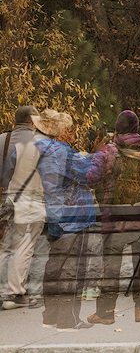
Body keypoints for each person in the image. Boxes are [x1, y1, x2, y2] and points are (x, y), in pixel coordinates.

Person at [86, 110, 140, 326]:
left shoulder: (107, 151)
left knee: (111, 266)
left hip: (115, 217)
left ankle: (106, 312)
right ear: (137, 128)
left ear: (117, 128)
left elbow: (90, 178)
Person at [35, 111, 95, 330]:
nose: (73, 133)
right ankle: (68, 319)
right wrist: (95, 154)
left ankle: (50, 316)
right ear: (62, 131)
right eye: (70, 130)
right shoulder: (66, 153)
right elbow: (89, 173)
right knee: (72, 269)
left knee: (54, 267)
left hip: (54, 214)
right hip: (73, 216)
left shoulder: (43, 150)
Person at [1, 106, 46, 311]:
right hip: (31, 198)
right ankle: (14, 293)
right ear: (33, 120)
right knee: (24, 246)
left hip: (9, 197)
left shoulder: (3, 139)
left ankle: (3, 292)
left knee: (6, 246)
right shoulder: (39, 142)